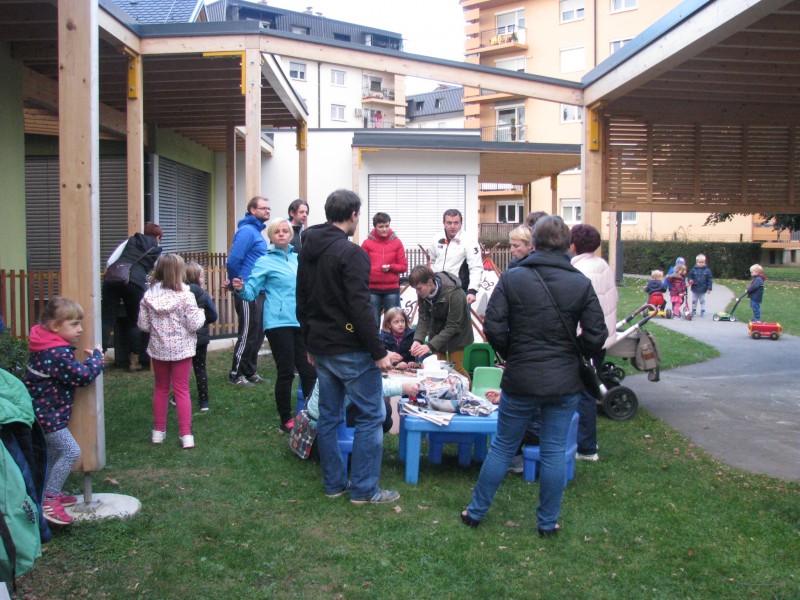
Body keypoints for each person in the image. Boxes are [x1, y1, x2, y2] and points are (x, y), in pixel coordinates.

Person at [461, 216, 607, 537]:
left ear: (535, 242)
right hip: (564, 379)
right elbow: (597, 335)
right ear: (567, 245)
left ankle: (476, 512)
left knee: (502, 447)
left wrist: (512, 353)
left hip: (522, 376)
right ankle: (547, 523)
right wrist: (574, 353)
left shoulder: (513, 278)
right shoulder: (579, 282)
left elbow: (493, 326)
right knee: (553, 450)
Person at [296, 189, 398, 505]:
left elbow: (302, 301)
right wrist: (378, 351)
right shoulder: (351, 253)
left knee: (328, 416)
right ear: (353, 215)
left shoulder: (308, 248)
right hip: (349, 349)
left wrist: (309, 342)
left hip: (322, 347)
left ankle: (334, 484)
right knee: (371, 414)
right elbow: (360, 307)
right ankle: (364, 490)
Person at [24, 297, 103, 526]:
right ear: (54, 326)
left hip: (41, 414)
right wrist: (96, 359)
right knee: (70, 451)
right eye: (74, 324)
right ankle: (50, 500)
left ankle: (47, 493)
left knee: (51, 455)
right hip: (47, 417)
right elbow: (82, 376)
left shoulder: (44, 345)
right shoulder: (56, 353)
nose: (80, 330)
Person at [233, 217, 317, 433]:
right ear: (271, 236)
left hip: (301, 321)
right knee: (286, 371)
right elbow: (251, 292)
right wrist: (240, 288)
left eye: (285, 231)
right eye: (277, 231)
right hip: (278, 323)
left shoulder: (299, 259)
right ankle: (286, 419)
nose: (281, 234)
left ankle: (310, 417)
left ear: (291, 235)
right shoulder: (264, 261)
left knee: (308, 371)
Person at [138, 254, 206, 450]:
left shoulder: (149, 296)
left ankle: (158, 431)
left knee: (161, 388)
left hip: (159, 348)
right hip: (182, 349)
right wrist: (201, 314)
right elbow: (194, 324)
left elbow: (143, 325)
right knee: (182, 389)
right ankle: (186, 435)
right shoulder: (186, 295)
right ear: (179, 272)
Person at [570, 223, 618, 462]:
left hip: (585, 338)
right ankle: (585, 441)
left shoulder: (580, 270)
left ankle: (586, 447)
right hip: (601, 337)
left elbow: (580, 307)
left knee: (584, 391)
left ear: (573, 245)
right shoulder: (602, 265)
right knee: (590, 384)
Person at [101, 222, 163, 372]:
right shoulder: (156, 248)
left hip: (112, 278)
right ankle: (134, 361)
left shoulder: (130, 241)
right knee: (134, 321)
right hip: (135, 282)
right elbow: (159, 271)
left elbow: (110, 262)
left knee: (107, 319)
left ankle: (99, 357)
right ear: (157, 237)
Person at [226, 196, 271, 387]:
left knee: (257, 333)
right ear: (252, 210)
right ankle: (236, 373)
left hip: (260, 290)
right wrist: (235, 283)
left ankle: (250, 371)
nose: (268, 211)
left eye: (269, 208)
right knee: (247, 332)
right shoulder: (246, 231)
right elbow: (233, 260)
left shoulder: (256, 232)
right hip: (247, 290)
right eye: (263, 208)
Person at [408, 266, 474, 379]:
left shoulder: (454, 292)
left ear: (430, 282)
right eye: (415, 289)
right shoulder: (423, 293)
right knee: (438, 369)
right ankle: (442, 390)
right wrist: (418, 340)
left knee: (455, 369)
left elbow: (453, 325)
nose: (417, 292)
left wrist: (429, 346)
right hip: (437, 330)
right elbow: (424, 318)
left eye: (419, 288)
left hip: (458, 332)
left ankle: (468, 388)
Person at [361, 212, 408, 327]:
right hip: (372, 289)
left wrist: (391, 267)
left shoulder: (397, 243)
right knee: (373, 323)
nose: (384, 229)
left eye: (387, 226)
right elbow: (361, 266)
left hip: (391, 289)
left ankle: (391, 340)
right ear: (375, 227)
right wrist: (377, 270)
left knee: (394, 324)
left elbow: (403, 266)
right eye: (381, 226)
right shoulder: (367, 244)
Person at [428, 209, 482, 304]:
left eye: (456, 223)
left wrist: (472, 291)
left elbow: (476, 267)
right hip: (437, 290)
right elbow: (431, 263)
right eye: (449, 223)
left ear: (461, 223)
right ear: (444, 223)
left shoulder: (469, 241)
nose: (452, 226)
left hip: (459, 290)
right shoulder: (436, 239)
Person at [185, 261, 218, 412]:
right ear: (196, 277)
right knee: (200, 369)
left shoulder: (179, 293)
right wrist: (203, 322)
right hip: (200, 338)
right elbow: (213, 315)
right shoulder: (203, 294)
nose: (203, 279)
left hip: (184, 338)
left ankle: (177, 397)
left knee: (182, 370)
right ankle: (203, 402)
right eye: (201, 276)